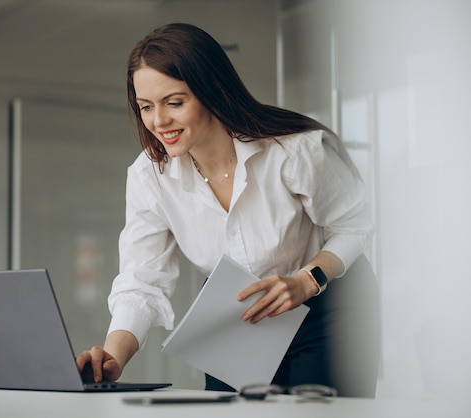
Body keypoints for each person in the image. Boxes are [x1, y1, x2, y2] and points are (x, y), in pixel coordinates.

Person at [76, 23, 380, 398]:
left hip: (327, 307)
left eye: (174, 102)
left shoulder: (294, 151)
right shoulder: (148, 177)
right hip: (238, 318)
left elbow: (355, 226)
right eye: (145, 107)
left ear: (211, 90)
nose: (159, 121)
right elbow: (142, 280)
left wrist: (307, 280)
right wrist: (113, 357)